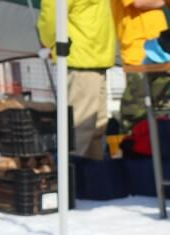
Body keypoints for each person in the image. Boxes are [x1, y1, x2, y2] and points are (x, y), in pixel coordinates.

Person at [37, 0, 116, 159]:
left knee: (95, 130)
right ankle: (72, 171)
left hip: (95, 60)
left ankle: (92, 171)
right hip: (82, 61)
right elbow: (52, 13)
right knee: (80, 130)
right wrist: (50, 42)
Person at [116, 0, 170, 132]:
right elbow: (139, 3)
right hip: (138, 51)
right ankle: (131, 141)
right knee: (136, 111)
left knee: (162, 112)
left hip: (162, 49)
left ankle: (156, 143)